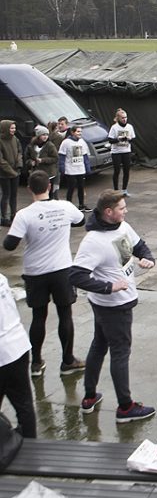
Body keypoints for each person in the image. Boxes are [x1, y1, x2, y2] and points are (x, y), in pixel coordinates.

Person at [70, 190, 155, 422]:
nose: (126, 211)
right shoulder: (94, 241)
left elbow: (140, 246)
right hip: (112, 306)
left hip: (115, 302)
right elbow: (76, 276)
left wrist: (148, 258)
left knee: (99, 345)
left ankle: (89, 397)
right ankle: (125, 408)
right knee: (120, 353)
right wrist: (108, 287)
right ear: (108, 212)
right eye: (121, 208)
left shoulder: (123, 226)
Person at [4, 170, 86, 378]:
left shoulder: (24, 215)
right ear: (49, 187)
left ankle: (36, 362)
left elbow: (9, 245)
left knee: (39, 316)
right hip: (62, 269)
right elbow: (81, 221)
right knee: (65, 314)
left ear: (29, 188)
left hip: (35, 272)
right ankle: (68, 360)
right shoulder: (65, 207)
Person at [0, 272, 36, 438]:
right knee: (25, 406)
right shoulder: (1, 278)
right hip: (18, 346)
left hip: (3, 354)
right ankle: (31, 448)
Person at [107, 109, 136, 195]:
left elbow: (133, 139)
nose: (124, 119)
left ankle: (124, 190)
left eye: (126, 117)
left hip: (126, 151)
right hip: (116, 152)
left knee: (126, 171)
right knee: (117, 171)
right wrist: (118, 139)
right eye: (122, 118)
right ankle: (116, 190)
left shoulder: (130, 127)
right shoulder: (114, 127)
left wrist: (129, 139)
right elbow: (110, 140)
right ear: (118, 118)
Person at [0, 120, 23, 226]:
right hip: (4, 174)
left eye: (14, 128)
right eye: (11, 128)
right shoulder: (1, 141)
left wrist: (19, 164)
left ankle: (13, 215)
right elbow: (1, 161)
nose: (14, 130)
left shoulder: (15, 139)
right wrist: (11, 172)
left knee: (14, 195)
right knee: (6, 194)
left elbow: (19, 152)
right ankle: (4, 217)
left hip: (15, 171)